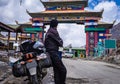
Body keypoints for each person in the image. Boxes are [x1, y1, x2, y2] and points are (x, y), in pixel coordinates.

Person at [44, 19, 67, 84]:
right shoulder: (53, 31)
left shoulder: (48, 32)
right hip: (53, 52)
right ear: (56, 25)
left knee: (56, 70)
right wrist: (61, 41)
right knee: (63, 70)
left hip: (49, 53)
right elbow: (60, 42)